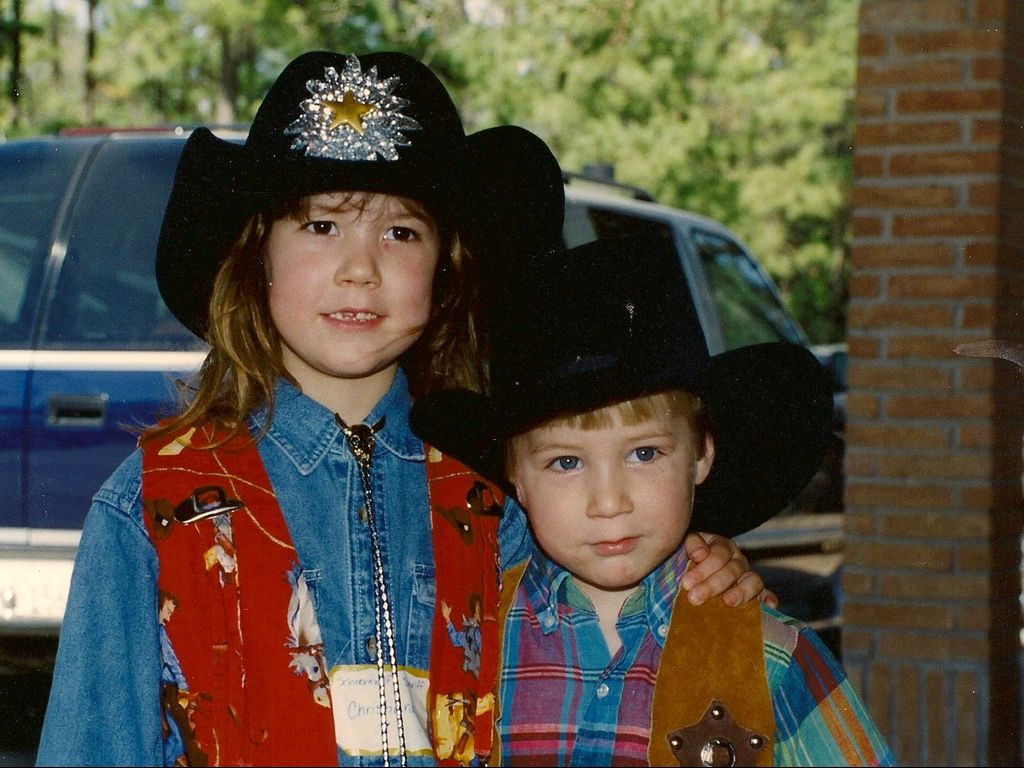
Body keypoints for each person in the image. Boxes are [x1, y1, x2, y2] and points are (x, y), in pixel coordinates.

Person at [35, 51, 766, 768]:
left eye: (401, 232)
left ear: (447, 268)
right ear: (256, 255)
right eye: (321, 226)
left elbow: (603, 651)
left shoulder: (500, 504)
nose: (361, 268)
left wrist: (697, 573)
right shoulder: (151, 509)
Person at [411, 233, 896, 766]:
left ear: (702, 454)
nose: (609, 502)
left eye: (644, 453)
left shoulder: (771, 656)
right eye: (566, 462)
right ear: (514, 478)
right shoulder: (465, 645)